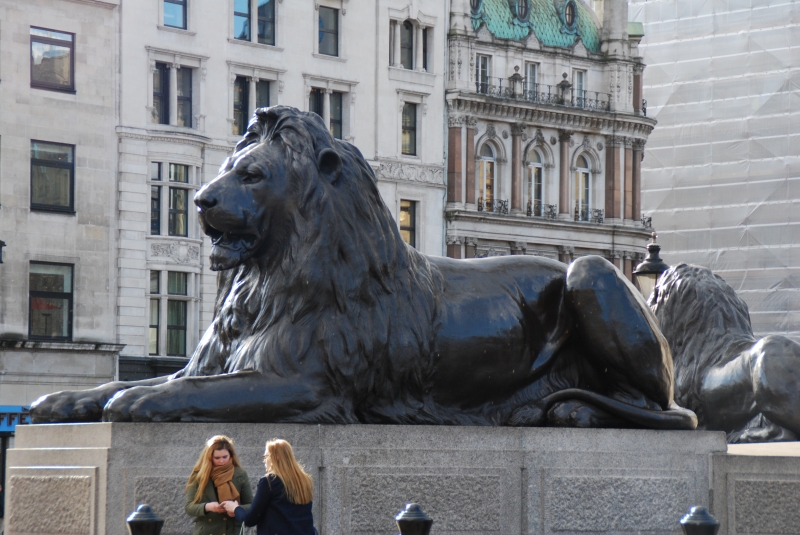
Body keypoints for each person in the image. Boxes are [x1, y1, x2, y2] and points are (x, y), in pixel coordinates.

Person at [222, 439, 316, 535]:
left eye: (266, 456)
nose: (264, 461)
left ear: (276, 457)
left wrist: (235, 508)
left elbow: (250, 519)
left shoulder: (270, 481)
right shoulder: (304, 480)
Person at [185, 435, 252, 535]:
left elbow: (251, 505)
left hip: (232, 530)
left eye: (225, 457)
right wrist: (208, 507)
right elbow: (189, 507)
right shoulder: (199, 475)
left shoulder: (240, 474)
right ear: (209, 457)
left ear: (231, 455)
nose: (221, 461)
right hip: (207, 531)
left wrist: (236, 509)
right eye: (217, 458)